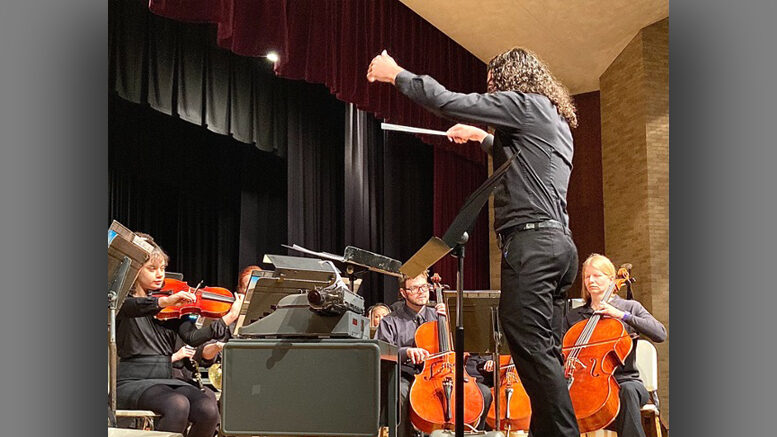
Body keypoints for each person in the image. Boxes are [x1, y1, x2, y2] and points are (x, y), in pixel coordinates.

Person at [368, 47, 580, 436]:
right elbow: (526, 165)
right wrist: (483, 137)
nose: (491, 92)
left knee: (528, 344)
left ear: (508, 78)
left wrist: (395, 73)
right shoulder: (554, 120)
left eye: (492, 85)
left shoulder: (525, 104)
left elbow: (449, 102)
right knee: (543, 352)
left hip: (532, 247)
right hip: (559, 246)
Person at [115, 233, 244, 437]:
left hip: (164, 378)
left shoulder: (172, 306)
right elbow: (134, 306)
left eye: (163, 269)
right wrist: (165, 302)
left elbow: (193, 338)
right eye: (152, 269)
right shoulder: (120, 302)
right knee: (177, 404)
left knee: (208, 409)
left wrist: (227, 319)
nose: (160, 275)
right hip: (132, 380)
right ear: (135, 270)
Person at [375, 272, 491, 436]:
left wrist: (451, 319)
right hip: (406, 375)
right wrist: (405, 352)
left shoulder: (440, 316)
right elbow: (381, 351)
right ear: (403, 293)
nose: (421, 292)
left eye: (424, 287)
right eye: (414, 288)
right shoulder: (390, 321)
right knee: (400, 393)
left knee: (484, 394)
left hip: (443, 373)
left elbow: (466, 345)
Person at [564, 254, 666, 437]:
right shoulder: (574, 316)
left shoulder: (629, 307)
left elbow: (660, 333)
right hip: (583, 384)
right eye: (587, 277)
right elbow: (559, 350)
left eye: (597, 275)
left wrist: (622, 315)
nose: (591, 280)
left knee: (627, 392)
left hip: (626, 382)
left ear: (611, 279)